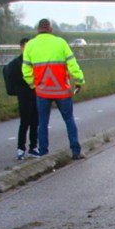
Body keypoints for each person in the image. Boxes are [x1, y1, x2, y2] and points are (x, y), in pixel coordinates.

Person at [22, 18, 86, 160]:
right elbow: (72, 65)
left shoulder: (30, 45)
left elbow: (26, 70)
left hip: (42, 91)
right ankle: (75, 151)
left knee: (43, 122)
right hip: (62, 90)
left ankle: (44, 153)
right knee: (69, 120)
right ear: (51, 29)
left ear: (38, 29)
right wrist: (79, 81)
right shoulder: (60, 43)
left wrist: (33, 85)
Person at [3, 38, 38, 160]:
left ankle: (33, 147)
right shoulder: (15, 64)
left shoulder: (36, 61)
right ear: (21, 48)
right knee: (25, 122)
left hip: (36, 95)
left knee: (35, 123)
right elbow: (14, 80)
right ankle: (21, 149)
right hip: (24, 97)